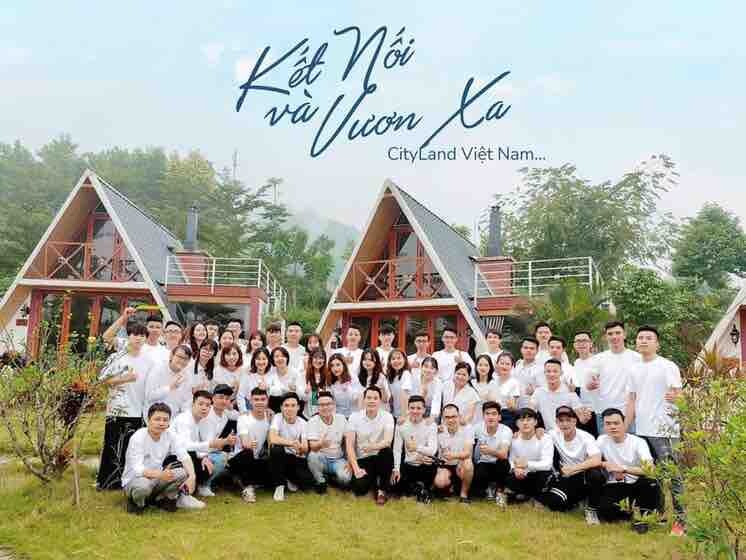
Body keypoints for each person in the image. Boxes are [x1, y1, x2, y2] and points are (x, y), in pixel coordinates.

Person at [626, 325, 686, 536]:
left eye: (648, 338)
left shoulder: (667, 366)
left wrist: (676, 398)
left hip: (665, 430)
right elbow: (631, 400)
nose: (643, 340)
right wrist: (625, 426)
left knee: (673, 476)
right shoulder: (634, 369)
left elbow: (679, 396)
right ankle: (658, 514)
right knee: (651, 476)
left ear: (657, 343)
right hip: (642, 429)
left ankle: (681, 521)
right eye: (640, 337)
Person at [97, 322, 154, 490]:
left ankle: (126, 481)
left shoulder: (149, 361)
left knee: (130, 449)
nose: (139, 338)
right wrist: (125, 379)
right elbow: (103, 380)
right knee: (112, 446)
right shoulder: (117, 357)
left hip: (138, 411)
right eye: (135, 334)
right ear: (128, 336)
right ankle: (106, 482)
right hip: (117, 409)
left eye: (142, 335)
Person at [122, 403, 197, 513]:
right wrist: (160, 474)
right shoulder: (138, 437)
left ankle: (164, 500)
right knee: (142, 487)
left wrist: (192, 477)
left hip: (157, 478)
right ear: (148, 420)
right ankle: (136, 503)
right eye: (157, 419)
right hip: (135, 480)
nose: (161, 423)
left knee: (183, 472)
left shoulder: (169, 435)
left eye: (165, 420)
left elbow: (184, 455)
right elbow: (137, 469)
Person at [597, 408, 661, 529]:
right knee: (607, 514)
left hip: (637, 483)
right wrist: (608, 465)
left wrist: (623, 469)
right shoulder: (601, 440)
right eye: (608, 424)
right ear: (604, 426)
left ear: (624, 423)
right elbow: (591, 461)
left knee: (651, 481)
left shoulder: (638, 442)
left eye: (616, 423)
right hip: (616, 484)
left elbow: (650, 469)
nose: (612, 427)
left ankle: (643, 518)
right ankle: (630, 510)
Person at [540, 406, 604, 525]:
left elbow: (597, 460)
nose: (565, 424)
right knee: (554, 503)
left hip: (583, 473)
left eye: (568, 420)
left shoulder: (586, 437)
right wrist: (537, 430)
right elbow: (537, 436)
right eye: (561, 420)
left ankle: (591, 509)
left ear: (575, 421)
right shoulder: (553, 434)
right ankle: (578, 500)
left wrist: (573, 469)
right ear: (556, 422)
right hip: (567, 476)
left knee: (595, 474)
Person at [169, 390, 236, 504]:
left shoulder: (199, 420)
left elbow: (196, 445)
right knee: (195, 459)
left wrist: (203, 457)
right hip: (172, 459)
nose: (204, 408)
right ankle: (182, 496)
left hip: (186, 455)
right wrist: (209, 445)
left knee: (209, 464)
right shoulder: (184, 420)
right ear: (193, 404)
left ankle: (192, 490)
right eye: (200, 404)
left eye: (208, 405)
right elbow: (185, 446)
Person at [586, 321, 641, 434]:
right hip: (604, 412)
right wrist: (590, 385)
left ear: (624, 334)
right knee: (606, 444)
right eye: (610, 334)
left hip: (629, 412)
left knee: (631, 444)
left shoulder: (637, 358)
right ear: (606, 337)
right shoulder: (598, 359)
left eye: (618, 333)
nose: (614, 337)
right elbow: (588, 384)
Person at [346, 386, 395, 505]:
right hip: (363, 458)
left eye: (375, 398)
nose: (371, 401)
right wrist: (356, 469)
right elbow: (349, 445)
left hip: (380, 458)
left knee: (387, 451)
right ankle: (374, 482)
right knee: (359, 489)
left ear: (380, 401)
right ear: (364, 400)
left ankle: (381, 491)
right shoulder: (354, 417)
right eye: (368, 398)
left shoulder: (387, 416)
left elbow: (387, 441)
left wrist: (372, 447)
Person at [227, 387, 272, 503]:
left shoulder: (269, 417)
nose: (259, 402)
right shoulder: (244, 418)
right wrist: (250, 444)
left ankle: (243, 480)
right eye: (256, 399)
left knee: (274, 456)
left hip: (256, 459)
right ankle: (247, 488)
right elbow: (245, 443)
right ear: (250, 401)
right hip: (239, 458)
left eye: (263, 399)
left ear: (267, 401)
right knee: (248, 452)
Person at [268, 393, 314, 501]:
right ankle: (279, 486)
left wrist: (300, 447)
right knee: (276, 449)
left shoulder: (303, 423)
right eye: (286, 405)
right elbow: (273, 438)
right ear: (281, 407)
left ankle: (286, 478)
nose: (290, 409)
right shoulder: (277, 417)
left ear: (298, 407)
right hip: (280, 456)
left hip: (295, 458)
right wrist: (292, 443)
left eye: (293, 405)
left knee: (308, 484)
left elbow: (305, 448)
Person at [391, 395, 438, 502]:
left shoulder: (431, 425)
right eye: (412, 408)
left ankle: (424, 488)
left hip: (425, 464)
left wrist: (416, 447)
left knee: (429, 465)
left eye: (418, 408)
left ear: (424, 410)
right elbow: (397, 449)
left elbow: (432, 450)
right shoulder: (401, 425)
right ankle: (416, 488)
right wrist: (396, 469)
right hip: (409, 464)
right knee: (395, 486)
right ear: (408, 409)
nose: (415, 411)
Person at [197, 384, 239, 496]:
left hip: (211, 449)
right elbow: (206, 443)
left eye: (227, 398)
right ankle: (203, 485)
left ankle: (206, 483)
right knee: (222, 458)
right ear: (213, 398)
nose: (224, 401)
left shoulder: (225, 414)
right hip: (199, 452)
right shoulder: (207, 414)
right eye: (221, 397)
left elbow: (238, 416)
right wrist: (224, 444)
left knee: (226, 456)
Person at [505, 408, 554, 503]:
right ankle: (521, 494)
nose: (525, 423)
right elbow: (512, 459)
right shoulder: (514, 438)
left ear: (535, 422)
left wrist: (527, 464)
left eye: (528, 420)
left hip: (539, 474)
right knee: (508, 473)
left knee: (544, 475)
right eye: (521, 420)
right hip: (522, 474)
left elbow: (547, 464)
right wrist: (515, 469)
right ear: (516, 423)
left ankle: (535, 496)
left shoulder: (545, 438)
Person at [306, 391, 351, 492]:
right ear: (318, 407)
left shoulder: (341, 419)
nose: (325, 407)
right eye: (322, 405)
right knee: (313, 456)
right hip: (321, 458)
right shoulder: (313, 421)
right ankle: (320, 480)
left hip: (338, 459)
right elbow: (312, 447)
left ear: (333, 405)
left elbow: (348, 442)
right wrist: (320, 443)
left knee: (346, 479)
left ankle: (331, 478)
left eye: (328, 404)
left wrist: (349, 460)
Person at [529, 359, 589, 430]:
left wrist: (585, 417)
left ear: (561, 373)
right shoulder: (539, 392)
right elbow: (529, 412)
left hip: (567, 432)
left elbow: (582, 419)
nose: (552, 374)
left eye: (555, 371)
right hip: (549, 433)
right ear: (544, 373)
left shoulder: (569, 392)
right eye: (548, 371)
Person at [472, 401, 512, 506]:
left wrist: (489, 450)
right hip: (484, 462)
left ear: (499, 417)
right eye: (487, 414)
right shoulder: (477, 428)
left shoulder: (506, 430)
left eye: (494, 414)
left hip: (500, 463)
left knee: (503, 463)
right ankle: (488, 488)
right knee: (479, 473)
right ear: (483, 416)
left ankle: (500, 491)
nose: (490, 417)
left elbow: (504, 454)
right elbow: (465, 433)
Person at [433, 403, 474, 503]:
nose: (450, 420)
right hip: (445, 465)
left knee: (468, 464)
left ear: (459, 416)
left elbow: (467, 453)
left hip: (460, 463)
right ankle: (450, 487)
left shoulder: (468, 428)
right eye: (447, 417)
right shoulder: (438, 430)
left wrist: (454, 456)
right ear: (443, 418)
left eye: (453, 416)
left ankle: (463, 495)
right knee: (440, 482)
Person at [145, 345, 194, 416]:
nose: (182, 361)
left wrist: (183, 416)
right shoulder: (158, 369)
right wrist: (170, 387)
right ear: (171, 356)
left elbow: (187, 400)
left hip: (175, 417)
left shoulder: (187, 375)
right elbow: (149, 396)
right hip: (155, 416)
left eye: (186, 359)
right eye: (180, 357)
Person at [573, 330, 600, 437]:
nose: (581, 344)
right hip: (581, 411)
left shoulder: (598, 361)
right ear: (574, 345)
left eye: (584, 340)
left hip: (597, 410)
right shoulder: (576, 363)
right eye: (578, 341)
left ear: (591, 344)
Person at [236, 347, 275, 413]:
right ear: (254, 360)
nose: (261, 362)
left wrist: (268, 387)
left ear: (268, 360)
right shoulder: (248, 375)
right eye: (258, 359)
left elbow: (278, 391)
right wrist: (244, 412)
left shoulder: (273, 373)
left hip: (268, 408)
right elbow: (240, 396)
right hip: (250, 407)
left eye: (264, 359)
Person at [491, 352, 520, 431]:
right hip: (491, 414)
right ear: (497, 364)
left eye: (507, 364)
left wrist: (511, 406)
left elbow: (513, 407)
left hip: (506, 415)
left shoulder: (514, 383)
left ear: (512, 366)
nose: (504, 366)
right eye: (502, 363)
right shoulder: (493, 380)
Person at [268, 346, 302, 413]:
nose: (280, 358)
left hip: (292, 408)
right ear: (272, 359)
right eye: (276, 356)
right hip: (274, 407)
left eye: (283, 356)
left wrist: (296, 389)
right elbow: (269, 391)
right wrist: (287, 390)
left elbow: (301, 396)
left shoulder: (295, 373)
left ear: (287, 358)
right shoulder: (270, 372)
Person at [409, 356, 443, 421]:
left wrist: (432, 418)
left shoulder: (438, 382)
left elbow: (436, 401)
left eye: (432, 368)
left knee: (432, 423)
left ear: (436, 371)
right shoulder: (415, 378)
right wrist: (423, 395)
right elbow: (411, 399)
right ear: (421, 367)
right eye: (426, 366)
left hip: (430, 409)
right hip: (414, 407)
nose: (428, 370)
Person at [513, 337, 544, 408]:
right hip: (515, 407)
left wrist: (534, 390)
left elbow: (545, 389)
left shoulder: (541, 369)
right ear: (521, 349)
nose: (528, 350)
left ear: (537, 351)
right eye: (525, 348)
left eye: (532, 348)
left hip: (531, 408)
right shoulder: (517, 365)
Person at [328, 353, 358, 418]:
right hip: (339, 416)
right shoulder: (331, 382)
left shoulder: (353, 378)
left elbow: (357, 398)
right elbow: (332, 403)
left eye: (338, 365)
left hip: (353, 416)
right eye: (332, 366)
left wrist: (347, 389)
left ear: (344, 365)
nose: (335, 368)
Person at [386, 349, 413, 419]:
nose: (396, 361)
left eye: (399, 358)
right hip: (394, 414)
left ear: (404, 360)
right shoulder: (390, 377)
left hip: (405, 415)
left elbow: (405, 395)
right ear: (390, 362)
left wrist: (404, 416)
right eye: (393, 359)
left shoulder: (406, 374)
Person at [302, 348, 329, 418]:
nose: (318, 360)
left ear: (324, 360)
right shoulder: (304, 375)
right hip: (308, 415)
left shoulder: (327, 375)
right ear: (311, 359)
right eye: (315, 357)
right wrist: (306, 392)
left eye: (321, 358)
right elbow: (302, 398)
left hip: (325, 415)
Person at [472, 354, 497, 427]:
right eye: (480, 365)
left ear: (490, 367)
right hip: (471, 419)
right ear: (476, 367)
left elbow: (493, 402)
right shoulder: (471, 383)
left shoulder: (493, 384)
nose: (483, 368)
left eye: (486, 365)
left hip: (486, 421)